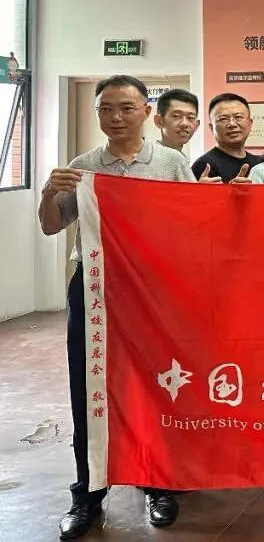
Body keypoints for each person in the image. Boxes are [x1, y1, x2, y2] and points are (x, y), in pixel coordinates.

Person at [37, 75, 196, 540]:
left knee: (156, 385)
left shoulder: (171, 163)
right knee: (89, 389)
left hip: (154, 290)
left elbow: (193, 220)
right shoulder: (83, 166)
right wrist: (48, 192)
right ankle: (88, 493)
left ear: (147, 112)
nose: (116, 117)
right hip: (93, 287)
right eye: (106, 108)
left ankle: (157, 483)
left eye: (126, 108)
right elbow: (51, 226)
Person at [190, 93, 261, 183]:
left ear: (250, 124)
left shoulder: (261, 164)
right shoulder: (204, 166)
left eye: (238, 117)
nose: (232, 124)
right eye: (223, 119)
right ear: (211, 128)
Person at [153, 89, 200, 153]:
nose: (184, 123)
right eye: (176, 116)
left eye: (190, 117)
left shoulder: (181, 157)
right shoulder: (149, 157)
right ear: (159, 121)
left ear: (196, 125)